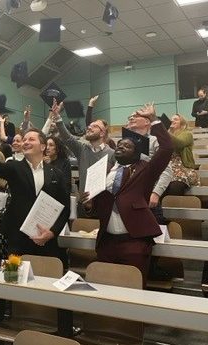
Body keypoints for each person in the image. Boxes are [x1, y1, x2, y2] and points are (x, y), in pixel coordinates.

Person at [80, 103, 173, 284]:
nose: (120, 147)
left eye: (127, 146)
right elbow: (99, 206)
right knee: (105, 290)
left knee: (133, 291)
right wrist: (89, 205)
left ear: (137, 153)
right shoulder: (103, 171)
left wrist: (154, 120)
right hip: (106, 243)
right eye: (119, 145)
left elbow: (167, 148)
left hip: (134, 243)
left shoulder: (145, 170)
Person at [0, 128, 70, 257]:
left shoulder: (56, 173)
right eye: (24, 139)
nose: (26, 142)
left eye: (31, 139)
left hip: (45, 238)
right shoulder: (14, 167)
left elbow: (65, 207)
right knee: (15, 275)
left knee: (44, 275)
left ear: (43, 146)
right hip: (17, 238)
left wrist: (52, 232)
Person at [52, 99, 115, 194]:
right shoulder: (82, 149)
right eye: (89, 126)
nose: (89, 127)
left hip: (104, 203)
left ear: (102, 133)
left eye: (95, 126)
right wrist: (57, 117)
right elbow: (67, 137)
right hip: (83, 203)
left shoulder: (112, 154)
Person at [167, 114, 199, 195]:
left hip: (183, 167)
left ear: (182, 123)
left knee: (175, 187)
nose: (172, 121)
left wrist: (164, 132)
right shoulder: (167, 134)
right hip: (168, 167)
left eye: (176, 119)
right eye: (171, 119)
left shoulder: (187, 134)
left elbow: (179, 143)